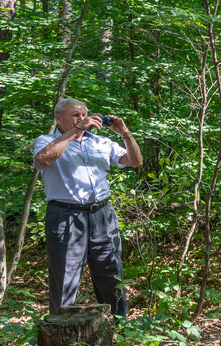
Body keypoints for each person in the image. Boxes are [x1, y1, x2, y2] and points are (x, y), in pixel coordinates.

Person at [33, 98, 143, 320]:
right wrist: (76, 130)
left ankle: (118, 327)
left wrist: (125, 134)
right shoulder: (46, 141)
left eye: (84, 115)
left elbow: (135, 161)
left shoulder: (100, 142)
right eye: (75, 115)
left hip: (103, 215)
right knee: (65, 276)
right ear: (58, 118)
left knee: (111, 272)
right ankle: (61, 328)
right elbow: (43, 159)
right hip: (65, 215)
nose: (82, 119)